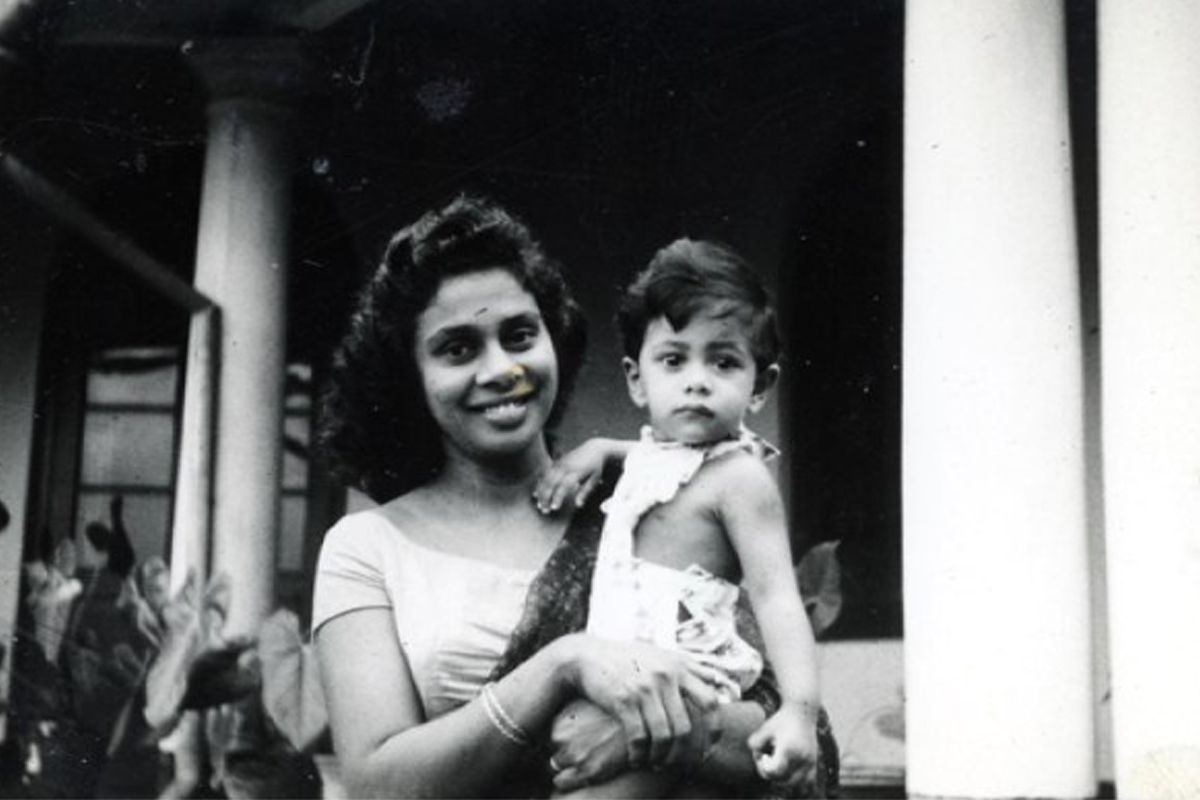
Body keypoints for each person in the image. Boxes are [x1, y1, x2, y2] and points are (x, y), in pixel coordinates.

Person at [312, 196, 826, 798]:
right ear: (411, 376)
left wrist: (652, 736)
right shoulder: (366, 549)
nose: (501, 368)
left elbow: (796, 740)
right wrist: (564, 666)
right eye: (458, 348)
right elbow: (377, 785)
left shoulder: (642, 499)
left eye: (520, 335)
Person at [533, 239, 822, 797]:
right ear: (637, 379)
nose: (697, 380)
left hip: (687, 687)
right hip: (623, 677)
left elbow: (777, 596)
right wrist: (598, 448)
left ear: (759, 386)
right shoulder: (651, 455)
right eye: (673, 359)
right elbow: (649, 459)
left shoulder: (741, 479)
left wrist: (800, 711)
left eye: (724, 361)